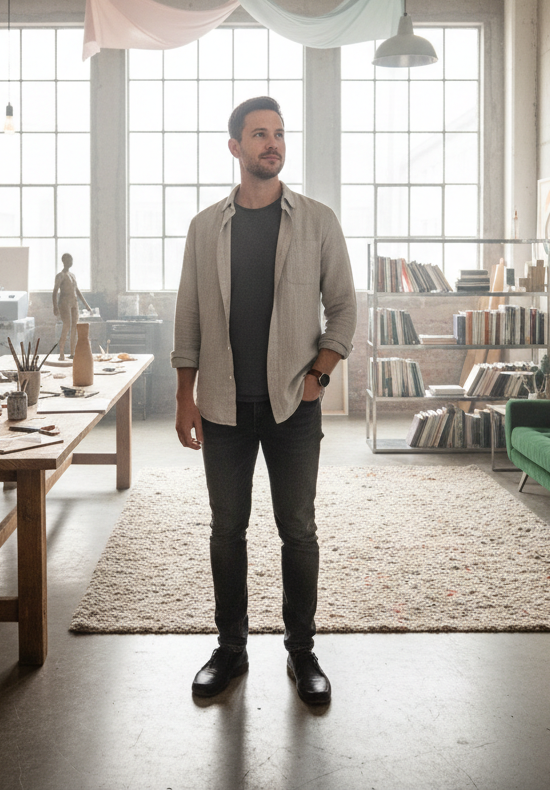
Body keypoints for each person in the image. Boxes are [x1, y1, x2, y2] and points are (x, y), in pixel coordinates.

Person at [172, 95, 356, 706]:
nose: (271, 143)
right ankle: (231, 647)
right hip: (222, 405)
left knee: (297, 529)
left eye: (278, 133)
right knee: (227, 530)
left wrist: (319, 377)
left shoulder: (318, 221)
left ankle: (302, 652)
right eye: (258, 134)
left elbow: (345, 309)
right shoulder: (205, 228)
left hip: (292, 406)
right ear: (235, 147)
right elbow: (189, 319)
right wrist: (184, 396)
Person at [53, 253, 90, 360]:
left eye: (71, 260)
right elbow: (55, 291)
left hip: (74, 302)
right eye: (69, 260)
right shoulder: (60, 276)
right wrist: (55, 306)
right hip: (64, 302)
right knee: (67, 326)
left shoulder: (72, 275)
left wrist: (86, 305)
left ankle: (73, 353)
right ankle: (61, 353)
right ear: (64, 261)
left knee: (74, 327)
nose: (71, 262)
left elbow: (77, 290)